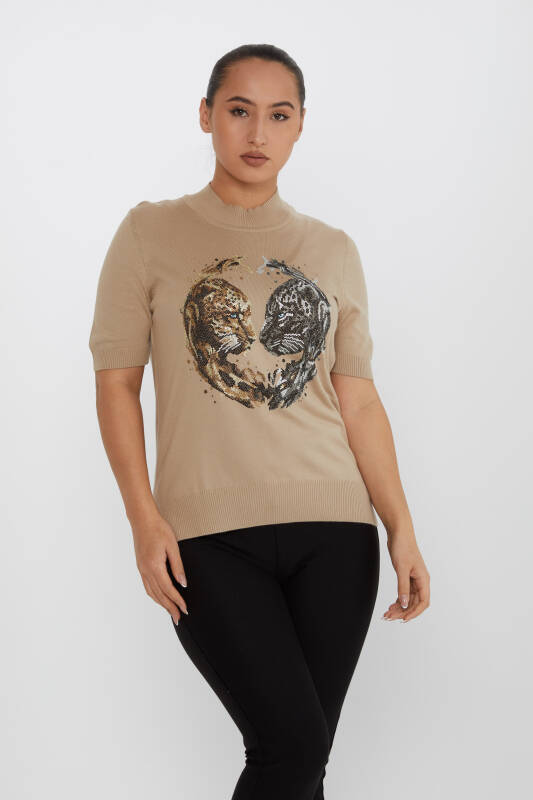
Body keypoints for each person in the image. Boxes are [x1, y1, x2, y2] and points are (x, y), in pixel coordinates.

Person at [88, 43, 430, 800]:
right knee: (290, 748)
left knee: (299, 762)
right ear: (206, 115)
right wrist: (143, 519)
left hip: (335, 534)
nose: (256, 132)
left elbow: (358, 400)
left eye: (279, 115)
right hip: (207, 539)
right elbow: (117, 384)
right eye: (239, 110)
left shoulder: (332, 249)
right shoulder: (148, 233)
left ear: (300, 126)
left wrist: (400, 525)